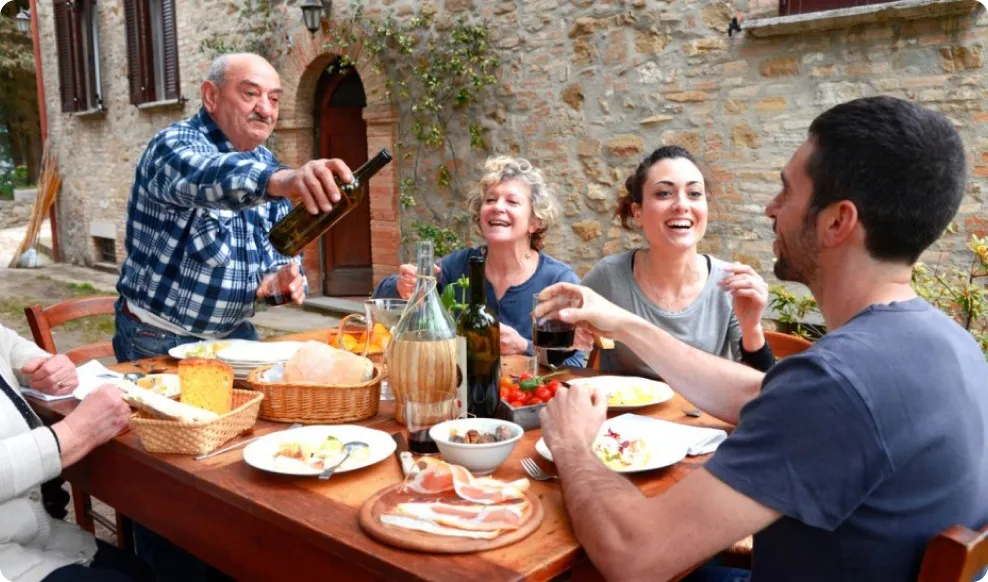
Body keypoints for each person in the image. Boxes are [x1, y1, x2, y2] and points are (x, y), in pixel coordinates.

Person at [534, 96, 988, 581]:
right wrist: (624, 322)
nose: (771, 208)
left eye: (786, 191)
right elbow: (761, 393)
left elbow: (633, 555)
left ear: (837, 221)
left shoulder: (836, 385)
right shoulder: (951, 343)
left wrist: (573, 445)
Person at [113, 52, 354, 362]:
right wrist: (282, 182)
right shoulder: (173, 146)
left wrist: (280, 282)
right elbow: (208, 174)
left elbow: (279, 260)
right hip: (158, 337)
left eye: (275, 99)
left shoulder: (267, 166)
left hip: (234, 335)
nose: (265, 109)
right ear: (211, 96)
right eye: (250, 94)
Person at [582, 146, 774, 377]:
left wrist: (752, 328)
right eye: (664, 193)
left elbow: (762, 387)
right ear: (638, 213)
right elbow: (556, 353)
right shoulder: (609, 278)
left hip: (704, 414)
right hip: (623, 413)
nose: (682, 205)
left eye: (694, 194)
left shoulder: (730, 284)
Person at [375, 156, 584, 367]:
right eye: (490, 200)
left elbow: (576, 362)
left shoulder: (558, 279)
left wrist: (524, 346)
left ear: (534, 222)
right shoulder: (458, 266)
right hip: (465, 394)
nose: (497, 207)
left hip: (531, 398)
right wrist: (402, 286)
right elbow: (380, 300)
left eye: (512, 201)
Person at [0, 323, 149, 582]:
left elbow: (11, 345)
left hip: (30, 530)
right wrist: (76, 432)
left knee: (142, 572)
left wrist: (49, 368)